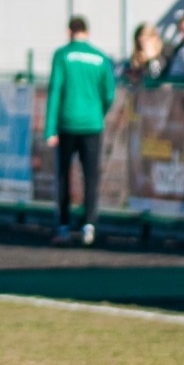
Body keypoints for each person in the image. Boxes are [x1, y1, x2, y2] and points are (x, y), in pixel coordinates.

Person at [44, 15, 115, 247]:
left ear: (69, 32)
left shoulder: (62, 55)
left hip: (67, 123)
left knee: (64, 175)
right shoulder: (100, 57)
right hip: (92, 124)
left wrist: (49, 129)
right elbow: (109, 94)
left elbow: (55, 90)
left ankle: (64, 226)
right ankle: (89, 225)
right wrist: (98, 112)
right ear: (88, 31)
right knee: (91, 176)